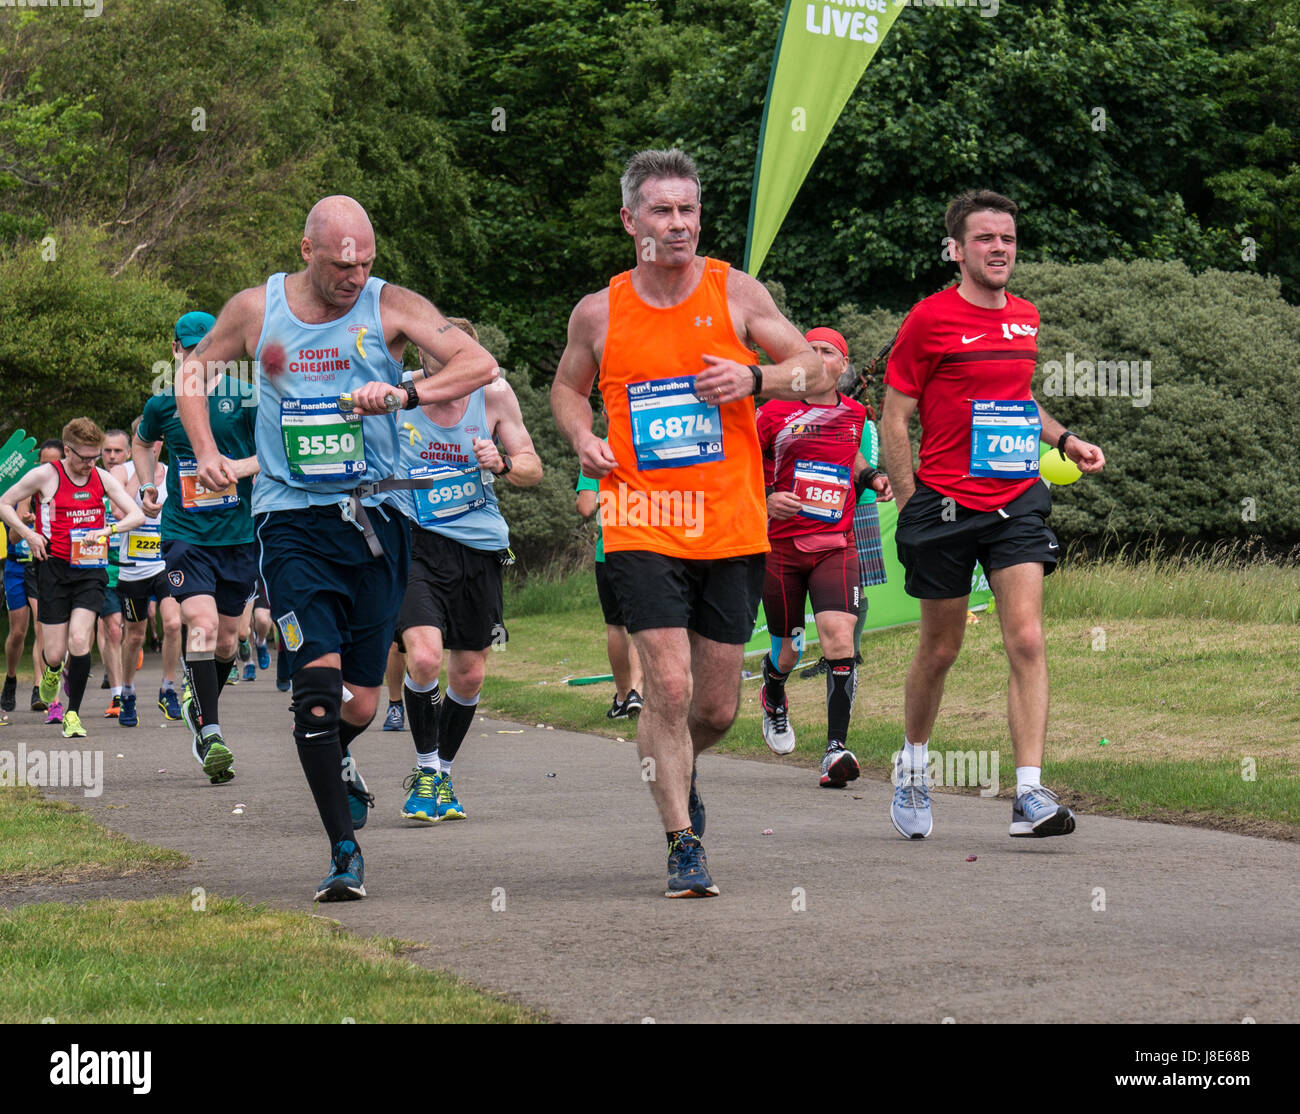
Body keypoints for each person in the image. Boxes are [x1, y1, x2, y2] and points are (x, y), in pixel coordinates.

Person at [177, 194, 497, 901]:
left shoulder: (392, 306)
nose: (353, 276)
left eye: (364, 262)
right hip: (291, 522)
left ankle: (334, 759)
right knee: (318, 695)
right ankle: (344, 852)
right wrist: (205, 452)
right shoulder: (257, 310)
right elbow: (192, 373)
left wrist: (405, 398)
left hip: (379, 520)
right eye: (340, 264)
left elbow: (477, 363)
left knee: (357, 703)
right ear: (306, 251)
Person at [551, 148, 830, 898]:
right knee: (666, 688)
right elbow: (569, 390)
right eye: (663, 211)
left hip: (731, 525)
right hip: (641, 518)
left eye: (689, 210)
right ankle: (682, 841)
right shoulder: (600, 311)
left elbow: (823, 370)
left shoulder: (735, 292)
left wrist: (756, 377)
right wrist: (582, 437)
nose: (679, 225)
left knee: (715, 706)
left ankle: (680, 760)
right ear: (630, 220)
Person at [881, 188, 1104, 840]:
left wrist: (1063, 440)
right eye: (985, 238)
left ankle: (1029, 794)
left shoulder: (1026, 318)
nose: (999, 247)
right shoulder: (929, 320)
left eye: (1007, 237)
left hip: (1014, 501)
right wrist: (909, 494)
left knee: (1027, 638)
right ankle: (915, 765)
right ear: (957, 249)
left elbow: (1017, 397)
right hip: (946, 505)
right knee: (941, 647)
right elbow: (895, 415)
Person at [394, 318, 542, 824]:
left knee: (471, 672)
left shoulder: (495, 395)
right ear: (424, 360)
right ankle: (426, 771)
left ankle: (445, 774)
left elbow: (531, 466)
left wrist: (500, 463)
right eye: (447, 358)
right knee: (426, 658)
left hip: (479, 548)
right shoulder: (400, 397)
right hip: (414, 544)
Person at [755, 326, 893, 789]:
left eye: (826, 352)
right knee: (789, 650)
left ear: (842, 366)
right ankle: (774, 692)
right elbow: (736, 469)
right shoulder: (772, 413)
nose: (815, 358)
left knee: (839, 637)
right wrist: (767, 497)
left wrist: (871, 475)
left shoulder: (854, 414)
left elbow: (848, 451)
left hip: (835, 544)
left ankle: (835, 750)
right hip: (780, 549)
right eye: (807, 351)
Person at [138, 310, 260, 782]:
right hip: (186, 536)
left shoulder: (246, 397)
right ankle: (210, 733)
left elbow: (274, 450)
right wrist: (149, 485)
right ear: (175, 351)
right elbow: (142, 442)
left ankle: (201, 707)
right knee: (203, 625)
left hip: (239, 536)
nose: (195, 356)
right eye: (187, 349)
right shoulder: (163, 402)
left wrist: (237, 467)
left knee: (231, 637)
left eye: (203, 347)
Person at [0, 419, 144, 738]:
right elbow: (4, 503)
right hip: (52, 568)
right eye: (84, 458)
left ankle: (73, 713)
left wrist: (108, 530)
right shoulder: (46, 475)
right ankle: (52, 671)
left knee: (80, 639)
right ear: (68, 450)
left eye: (95, 458)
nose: (90, 464)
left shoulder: (101, 477)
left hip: (90, 569)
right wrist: (28, 533)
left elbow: (136, 514)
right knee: (54, 653)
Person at [116, 420, 184, 726]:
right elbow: (119, 512)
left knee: (172, 624)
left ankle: (168, 688)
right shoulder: (122, 473)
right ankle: (127, 693)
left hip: (164, 562)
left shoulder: (173, 473)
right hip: (133, 567)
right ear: (137, 442)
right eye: (148, 439)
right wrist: (142, 477)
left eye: (159, 439)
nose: (155, 445)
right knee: (135, 636)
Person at [575, 440, 643, 720]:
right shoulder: (645, 439)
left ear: (605, 414)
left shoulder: (597, 448)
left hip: (611, 550)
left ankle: (624, 696)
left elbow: (585, 507)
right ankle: (638, 692)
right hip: (649, 549)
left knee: (616, 626)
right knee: (643, 625)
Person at [3, 440, 64, 715]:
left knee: (42, 626)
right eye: (42, 462)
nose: (46, 468)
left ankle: (39, 688)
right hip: (17, 566)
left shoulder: (60, 493)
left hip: (41, 565)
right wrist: (25, 523)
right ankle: (12, 678)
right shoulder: (26, 491)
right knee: (18, 632)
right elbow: (13, 537)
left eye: (52, 463)